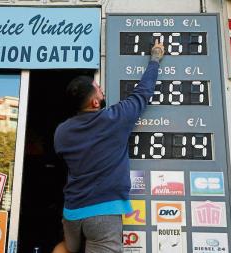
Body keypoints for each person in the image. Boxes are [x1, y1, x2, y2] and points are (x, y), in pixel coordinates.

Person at [53, 40, 165, 253]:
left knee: (67, 248)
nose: (101, 88)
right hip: (103, 214)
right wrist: (155, 58)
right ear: (95, 103)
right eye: (98, 89)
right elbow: (142, 93)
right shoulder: (115, 119)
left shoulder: (61, 132)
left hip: (72, 212)